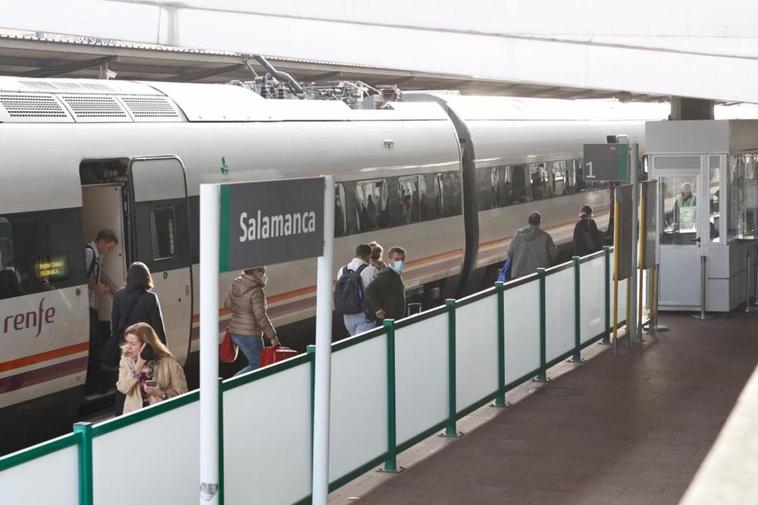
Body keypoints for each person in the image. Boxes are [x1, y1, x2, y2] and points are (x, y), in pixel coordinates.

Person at [116, 322, 187, 415]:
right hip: (135, 416)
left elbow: (183, 393)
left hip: (162, 414)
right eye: (127, 342)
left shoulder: (168, 362)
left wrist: (161, 393)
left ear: (146, 345)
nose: (128, 347)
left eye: (133, 344)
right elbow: (123, 388)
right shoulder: (126, 361)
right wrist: (138, 366)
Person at [224, 266, 280, 375]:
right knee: (259, 364)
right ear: (256, 272)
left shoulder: (236, 284)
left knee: (256, 363)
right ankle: (232, 384)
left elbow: (228, 305)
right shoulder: (256, 291)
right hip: (249, 333)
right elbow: (260, 316)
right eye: (262, 272)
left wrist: (241, 308)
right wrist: (272, 337)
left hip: (235, 332)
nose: (264, 276)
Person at [336, 244, 379, 336]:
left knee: (354, 343)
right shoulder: (370, 270)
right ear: (368, 255)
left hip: (347, 316)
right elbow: (376, 292)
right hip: (364, 315)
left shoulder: (342, 270)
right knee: (363, 346)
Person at [507, 212, 559, 279]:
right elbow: (554, 254)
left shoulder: (517, 235)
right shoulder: (545, 236)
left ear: (528, 221)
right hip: (538, 274)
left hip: (519, 275)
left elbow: (510, 253)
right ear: (539, 222)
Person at [366, 246, 407, 322]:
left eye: (402, 259)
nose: (400, 262)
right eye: (396, 259)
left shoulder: (395, 274)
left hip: (394, 320)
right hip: (387, 321)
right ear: (390, 259)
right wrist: (378, 309)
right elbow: (369, 290)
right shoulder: (387, 274)